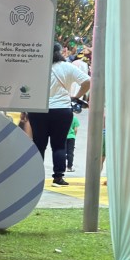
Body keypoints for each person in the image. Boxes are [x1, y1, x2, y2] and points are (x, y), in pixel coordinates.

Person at [28, 42, 90, 186]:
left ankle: (35, 177)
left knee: (38, 143)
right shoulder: (67, 67)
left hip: (38, 110)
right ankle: (58, 177)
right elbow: (87, 81)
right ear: (60, 52)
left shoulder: (36, 66)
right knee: (59, 145)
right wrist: (75, 96)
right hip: (62, 110)